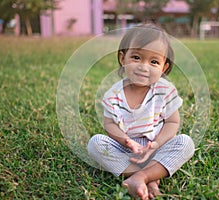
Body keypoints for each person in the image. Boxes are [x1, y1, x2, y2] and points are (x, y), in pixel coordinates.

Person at [87, 23, 195, 200]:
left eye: (154, 61)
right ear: (123, 59)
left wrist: (157, 144)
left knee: (185, 142)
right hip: (125, 150)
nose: (144, 67)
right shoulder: (114, 94)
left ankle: (140, 177)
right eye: (136, 57)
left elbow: (172, 122)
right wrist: (126, 141)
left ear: (164, 67)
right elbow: (110, 124)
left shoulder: (164, 91)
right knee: (95, 143)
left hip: (155, 148)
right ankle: (150, 177)